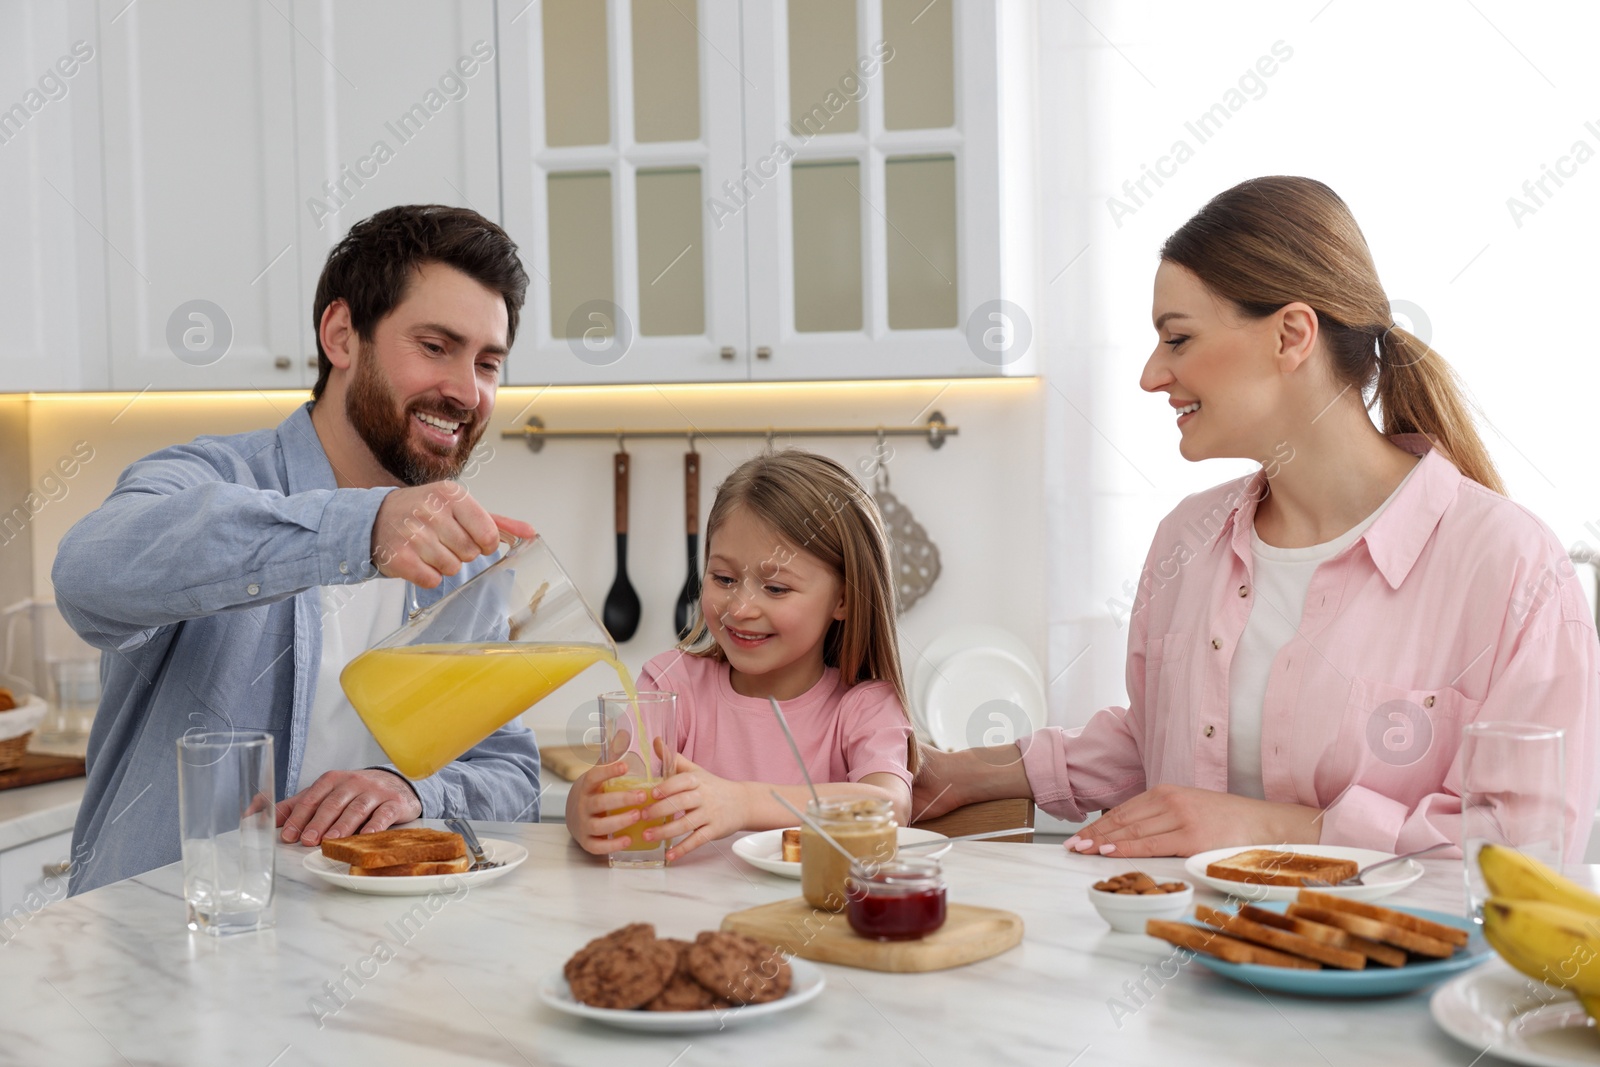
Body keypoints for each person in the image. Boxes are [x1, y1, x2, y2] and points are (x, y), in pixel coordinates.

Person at [913, 176, 1599, 859]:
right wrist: (959, 772)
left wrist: (1278, 829)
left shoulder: (1509, 565)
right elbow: (1154, 743)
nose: (1152, 374)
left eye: (1177, 339)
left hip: (1396, 966)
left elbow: (1533, 845)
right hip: (1185, 952)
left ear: (1291, 335)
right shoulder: (1188, 538)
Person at [55, 205, 540, 894]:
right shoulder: (209, 479)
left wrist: (409, 788)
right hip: (163, 955)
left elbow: (514, 775)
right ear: (342, 335)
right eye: (435, 346)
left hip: (364, 962)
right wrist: (362, 529)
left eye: (488, 362)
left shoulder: (468, 558)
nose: (467, 390)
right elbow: (86, 574)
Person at [566, 451, 917, 862]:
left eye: (776, 588)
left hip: (812, 918)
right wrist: (581, 811)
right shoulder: (672, 685)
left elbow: (889, 809)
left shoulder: (864, 708)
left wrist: (744, 803)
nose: (740, 608)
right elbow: (617, 786)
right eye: (725, 579)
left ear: (843, 598)